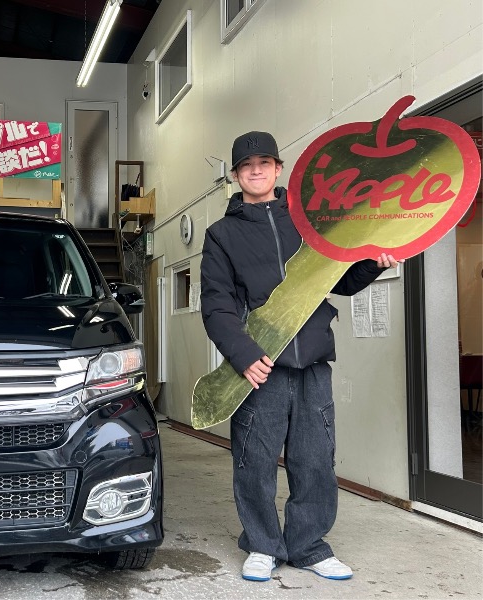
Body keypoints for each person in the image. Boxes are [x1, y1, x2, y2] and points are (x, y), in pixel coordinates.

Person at [200, 131, 402, 583]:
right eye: (246, 165)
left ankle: (309, 546)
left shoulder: (309, 221)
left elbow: (340, 279)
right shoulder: (221, 235)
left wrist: (373, 263)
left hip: (311, 362)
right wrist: (244, 355)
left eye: (264, 163)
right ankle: (262, 544)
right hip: (259, 368)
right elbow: (216, 305)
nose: (256, 170)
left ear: (278, 168)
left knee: (315, 460)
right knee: (254, 461)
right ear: (235, 175)